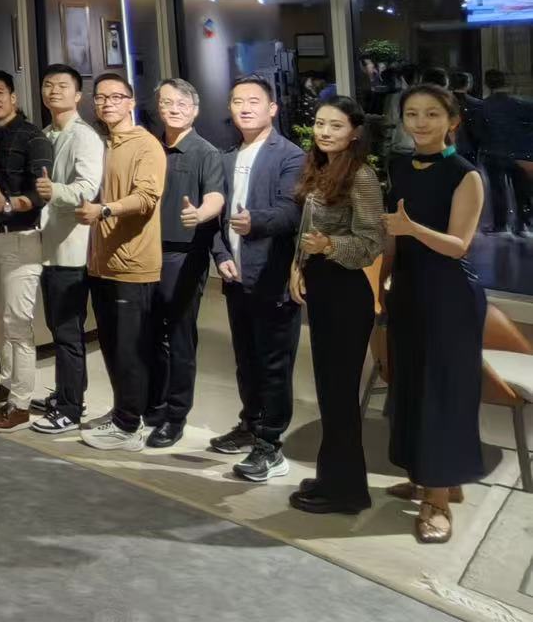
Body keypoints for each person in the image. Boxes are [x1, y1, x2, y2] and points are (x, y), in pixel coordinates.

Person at [383, 84, 487, 545]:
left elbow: (458, 245)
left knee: (442, 393)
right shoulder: (398, 166)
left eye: (431, 114)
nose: (421, 122)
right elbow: (392, 233)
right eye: (412, 114)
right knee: (410, 386)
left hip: (449, 296)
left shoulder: (465, 174)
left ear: (452, 121)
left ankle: (438, 502)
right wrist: (383, 281)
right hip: (408, 291)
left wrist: (411, 228)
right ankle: (429, 476)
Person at [287, 97, 384, 515]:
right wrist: (298, 265)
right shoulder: (321, 167)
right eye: (320, 124)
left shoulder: (361, 175)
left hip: (346, 292)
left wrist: (329, 246)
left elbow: (371, 243)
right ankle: (333, 478)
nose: (325, 132)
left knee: (340, 397)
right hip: (322, 286)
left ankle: (348, 492)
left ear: (355, 132)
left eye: (336, 126)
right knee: (329, 394)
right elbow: (307, 229)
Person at [207, 75, 306, 483]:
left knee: (274, 365)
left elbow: (291, 212)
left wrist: (255, 222)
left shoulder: (291, 156)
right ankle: (250, 424)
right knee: (246, 360)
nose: (245, 107)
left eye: (254, 101)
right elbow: (215, 217)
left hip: (272, 277)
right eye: (237, 101)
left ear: (272, 108)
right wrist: (221, 255)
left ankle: (270, 444)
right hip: (236, 276)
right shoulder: (226, 156)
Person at [77, 71, 165, 451]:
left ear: (131, 102)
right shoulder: (103, 143)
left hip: (133, 265)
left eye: (116, 97)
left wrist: (105, 210)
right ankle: (123, 414)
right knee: (112, 346)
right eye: (100, 97)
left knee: (130, 350)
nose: (107, 103)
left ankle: (130, 426)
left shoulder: (146, 145)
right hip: (101, 263)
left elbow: (146, 198)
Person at [144, 78, 226, 450]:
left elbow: (215, 197)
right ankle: (154, 405)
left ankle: (175, 416)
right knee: (148, 334)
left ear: (195, 110)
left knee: (179, 336)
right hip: (145, 253)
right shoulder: (150, 147)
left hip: (184, 254)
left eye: (181, 103)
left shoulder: (206, 152)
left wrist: (201, 214)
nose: (173, 109)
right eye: (166, 102)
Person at [0, 70, 54, 433]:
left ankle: (19, 405)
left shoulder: (34, 137)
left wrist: (10, 204)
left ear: (14, 97)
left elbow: (43, 193)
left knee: (18, 325)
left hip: (23, 239)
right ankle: (7, 383)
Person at [30, 63, 103, 437]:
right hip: (47, 246)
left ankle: (70, 409)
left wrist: (53, 191)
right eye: (48, 85)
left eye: (62, 85)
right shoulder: (45, 135)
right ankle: (65, 394)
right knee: (57, 327)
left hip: (71, 250)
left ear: (78, 95)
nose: (54, 90)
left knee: (68, 332)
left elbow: (88, 187)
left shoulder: (85, 137)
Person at [480, 69, 533, 236]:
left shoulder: (482, 106)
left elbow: (479, 132)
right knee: (521, 190)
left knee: (498, 190)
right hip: (518, 154)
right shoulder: (522, 105)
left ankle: (500, 226)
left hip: (492, 153)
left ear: (487, 84)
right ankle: (523, 225)